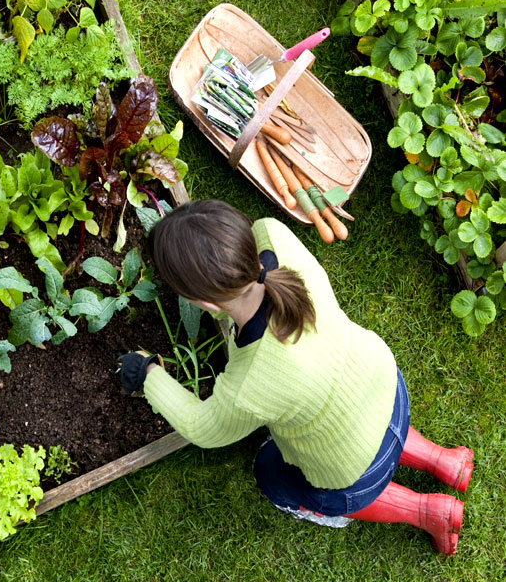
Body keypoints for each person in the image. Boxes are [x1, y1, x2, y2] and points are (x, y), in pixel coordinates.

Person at [118, 200, 473, 555]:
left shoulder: (250, 383)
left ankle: (427, 511)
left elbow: (203, 426)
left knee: (271, 473)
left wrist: (147, 373)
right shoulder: (275, 236)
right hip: (387, 387)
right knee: (364, 422)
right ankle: (443, 460)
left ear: (207, 304)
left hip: (353, 469)